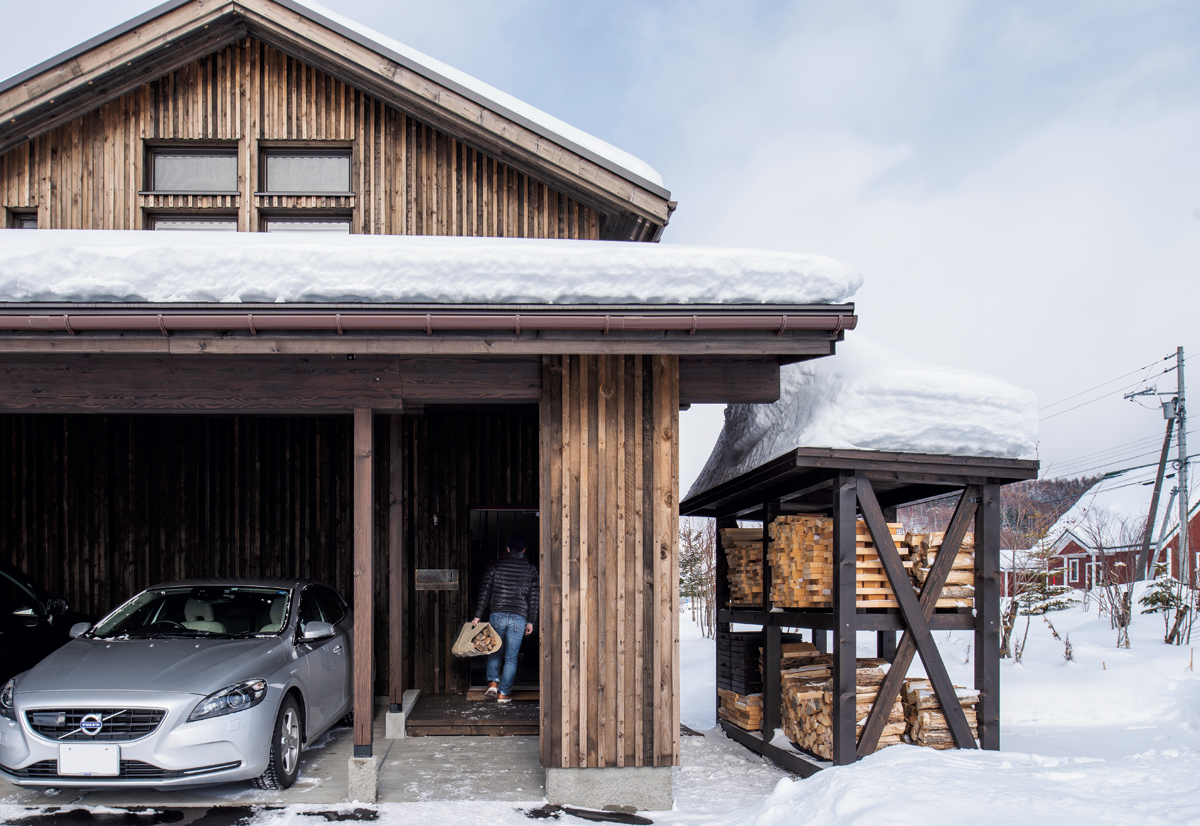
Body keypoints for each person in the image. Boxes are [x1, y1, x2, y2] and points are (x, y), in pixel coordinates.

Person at [471, 534, 539, 703]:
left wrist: (478, 615)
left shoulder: (495, 565)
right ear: (524, 550)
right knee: (511, 657)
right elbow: (534, 597)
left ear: (507, 548)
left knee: (494, 650)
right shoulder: (531, 569)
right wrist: (531, 621)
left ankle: (493, 683)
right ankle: (503, 693)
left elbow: (485, 591)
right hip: (518, 618)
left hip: (497, 615)